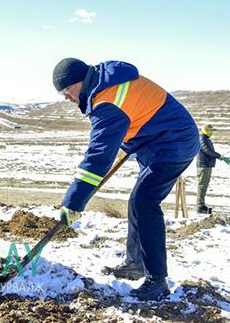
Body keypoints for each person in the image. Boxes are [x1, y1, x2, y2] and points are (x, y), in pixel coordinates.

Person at [53, 58, 199, 301]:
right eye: (62, 94)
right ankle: (135, 263)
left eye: (67, 91)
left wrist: (74, 201)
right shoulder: (105, 84)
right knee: (137, 201)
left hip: (175, 143)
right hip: (156, 141)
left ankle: (157, 280)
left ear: (79, 81)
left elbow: (98, 157)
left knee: (145, 202)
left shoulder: (107, 101)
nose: (67, 98)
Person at [196, 124, 230, 214]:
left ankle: (202, 204)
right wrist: (219, 156)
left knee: (204, 186)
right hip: (203, 165)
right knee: (202, 186)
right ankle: (200, 206)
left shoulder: (206, 139)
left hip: (207, 165)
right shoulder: (202, 139)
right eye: (210, 130)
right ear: (206, 130)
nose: (212, 132)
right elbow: (207, 150)